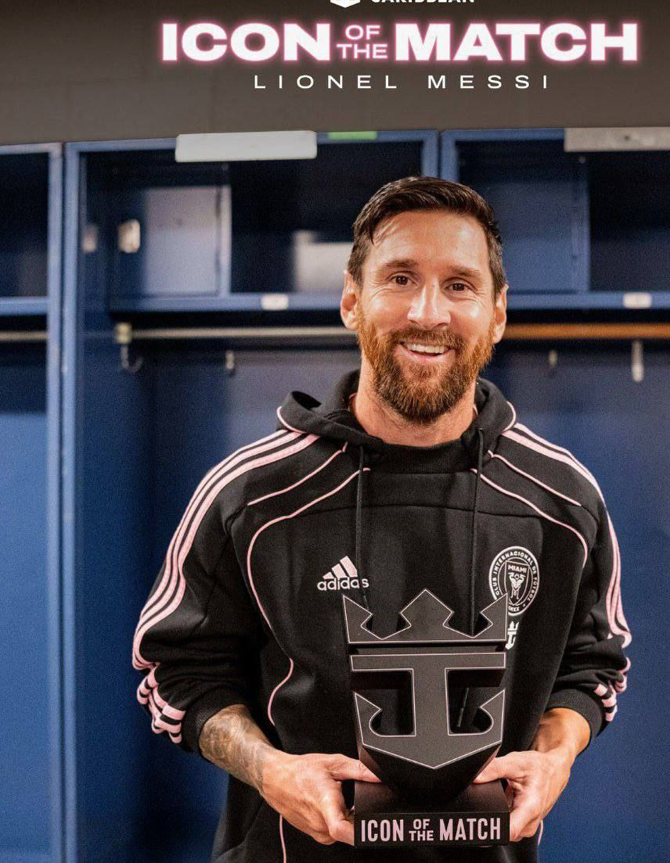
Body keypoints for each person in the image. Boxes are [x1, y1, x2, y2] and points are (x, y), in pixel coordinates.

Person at [133, 176, 631, 862]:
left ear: (497, 313)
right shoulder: (250, 494)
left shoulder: (562, 499)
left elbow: (594, 663)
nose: (428, 312)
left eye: (459, 285)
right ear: (351, 299)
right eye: (400, 278)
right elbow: (178, 673)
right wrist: (271, 770)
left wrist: (556, 754)